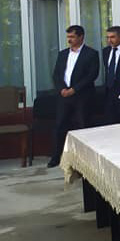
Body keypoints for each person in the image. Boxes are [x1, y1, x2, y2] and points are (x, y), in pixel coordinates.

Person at [48, 25, 99, 167]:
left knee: (83, 125)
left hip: (82, 96)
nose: (69, 40)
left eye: (72, 37)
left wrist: (74, 89)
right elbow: (57, 74)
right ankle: (56, 157)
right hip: (64, 96)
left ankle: (85, 158)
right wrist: (62, 89)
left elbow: (92, 75)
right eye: (68, 37)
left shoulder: (91, 54)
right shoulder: (63, 54)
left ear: (81, 37)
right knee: (60, 126)